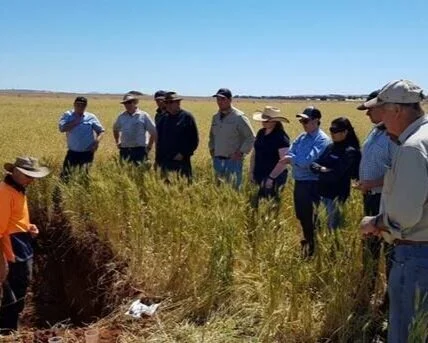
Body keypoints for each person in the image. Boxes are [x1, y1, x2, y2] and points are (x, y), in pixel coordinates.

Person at [359, 79, 427, 343]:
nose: (379, 119)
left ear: (398, 110)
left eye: (382, 111)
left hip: (416, 256)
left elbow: (405, 217)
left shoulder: (411, 148)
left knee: (406, 331)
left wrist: (375, 221)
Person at [355, 90, 396, 312]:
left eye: (370, 109)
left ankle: (388, 300)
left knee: (389, 249)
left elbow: (398, 173)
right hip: (370, 197)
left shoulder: (395, 136)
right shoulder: (375, 131)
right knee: (369, 246)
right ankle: (367, 289)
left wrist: (371, 184)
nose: (367, 113)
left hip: (385, 198)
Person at [0, 157, 50, 335]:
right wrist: (3, 259)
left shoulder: (18, 190)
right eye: (29, 175)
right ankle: (7, 331)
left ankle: (11, 325)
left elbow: (14, 220)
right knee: (12, 289)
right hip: (12, 249)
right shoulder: (4, 193)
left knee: (21, 285)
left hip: (22, 242)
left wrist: (29, 227)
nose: (32, 180)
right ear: (16, 173)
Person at [281, 106, 331, 257]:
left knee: (312, 218)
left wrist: (293, 160)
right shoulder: (302, 137)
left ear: (316, 121)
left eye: (306, 120)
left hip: (313, 184)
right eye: (302, 120)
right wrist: (295, 159)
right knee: (302, 216)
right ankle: (308, 245)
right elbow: (291, 152)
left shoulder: (322, 140)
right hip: (300, 182)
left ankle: (313, 249)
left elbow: (306, 161)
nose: (303, 123)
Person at [310, 117, 361, 230]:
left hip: (336, 195)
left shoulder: (350, 151)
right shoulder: (331, 147)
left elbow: (335, 175)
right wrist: (323, 169)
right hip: (322, 192)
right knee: (319, 227)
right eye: (331, 130)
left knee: (332, 228)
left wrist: (321, 169)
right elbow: (313, 164)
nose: (332, 133)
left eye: (336, 131)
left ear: (345, 132)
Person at [209, 88, 255, 188]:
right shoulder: (215, 117)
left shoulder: (239, 117)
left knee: (233, 190)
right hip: (217, 160)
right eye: (218, 99)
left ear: (230, 100)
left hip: (233, 161)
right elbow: (212, 136)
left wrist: (241, 152)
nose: (219, 102)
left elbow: (251, 137)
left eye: (223, 99)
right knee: (218, 190)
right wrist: (212, 149)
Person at [250, 106, 290, 204]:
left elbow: (284, 161)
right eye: (263, 120)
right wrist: (251, 171)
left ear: (274, 121)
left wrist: (271, 178)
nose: (263, 122)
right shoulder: (261, 132)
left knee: (270, 204)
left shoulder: (281, 137)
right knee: (258, 203)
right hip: (259, 174)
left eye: (266, 120)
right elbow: (255, 153)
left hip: (273, 177)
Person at [58, 96, 105, 180]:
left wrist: (96, 142)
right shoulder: (67, 115)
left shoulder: (91, 117)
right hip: (72, 153)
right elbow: (62, 129)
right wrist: (75, 121)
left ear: (86, 106)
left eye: (83, 105)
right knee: (65, 176)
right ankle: (59, 193)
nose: (80, 107)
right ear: (74, 104)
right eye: (78, 104)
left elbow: (101, 131)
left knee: (84, 177)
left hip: (87, 153)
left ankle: (81, 192)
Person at [156, 92, 199, 180]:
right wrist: (157, 159)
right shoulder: (163, 118)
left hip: (181, 161)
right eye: (166, 103)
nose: (168, 105)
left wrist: (183, 154)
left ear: (178, 103)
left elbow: (194, 140)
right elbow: (159, 140)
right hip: (165, 161)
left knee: (183, 189)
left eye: (171, 102)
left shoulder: (187, 117)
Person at [113, 93, 157, 166]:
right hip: (125, 150)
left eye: (129, 102)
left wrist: (149, 147)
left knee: (140, 173)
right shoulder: (121, 116)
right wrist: (117, 141)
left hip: (140, 150)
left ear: (135, 103)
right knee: (125, 172)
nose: (127, 105)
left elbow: (153, 131)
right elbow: (115, 129)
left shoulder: (143, 115)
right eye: (125, 103)